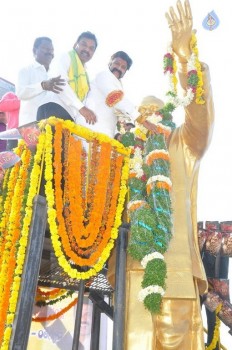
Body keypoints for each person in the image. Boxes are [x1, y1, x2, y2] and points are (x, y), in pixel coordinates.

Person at [108, 1, 215, 349]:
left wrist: (184, 57)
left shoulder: (182, 143)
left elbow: (200, 114)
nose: (146, 118)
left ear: (166, 115)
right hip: (129, 269)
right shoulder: (126, 154)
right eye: (141, 114)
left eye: (153, 112)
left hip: (177, 272)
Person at [37, 31, 98, 125]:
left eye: (91, 48)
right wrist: (81, 107)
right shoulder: (65, 56)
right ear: (75, 45)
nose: (87, 49)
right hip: (54, 108)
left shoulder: (85, 76)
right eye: (84, 44)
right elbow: (59, 84)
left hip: (70, 117)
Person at [77, 51, 138, 138]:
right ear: (110, 63)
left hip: (104, 136)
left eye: (123, 67)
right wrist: (141, 118)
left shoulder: (118, 86)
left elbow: (113, 113)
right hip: (88, 130)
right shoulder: (104, 75)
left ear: (125, 71)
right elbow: (115, 97)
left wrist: (117, 134)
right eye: (117, 63)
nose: (119, 68)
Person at [16, 36, 65, 126]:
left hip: (52, 128)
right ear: (35, 51)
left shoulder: (56, 74)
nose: (50, 52)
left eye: (51, 50)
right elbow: (20, 93)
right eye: (46, 48)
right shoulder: (26, 71)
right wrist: (42, 86)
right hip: (30, 128)